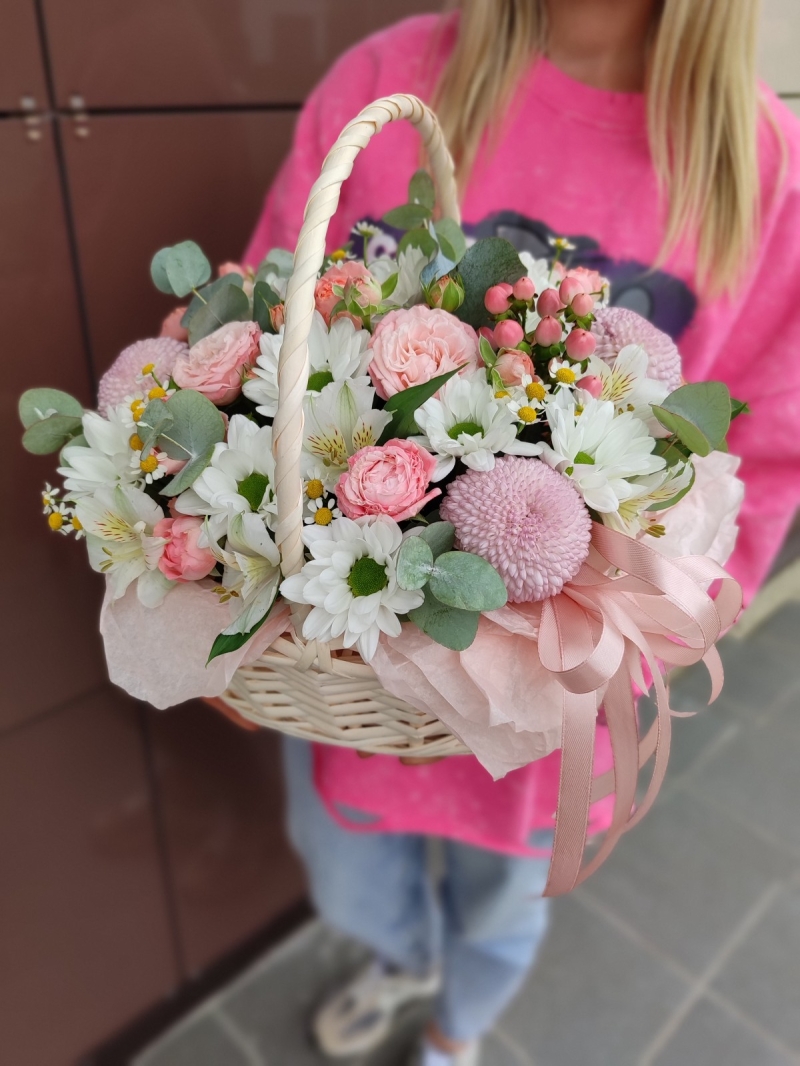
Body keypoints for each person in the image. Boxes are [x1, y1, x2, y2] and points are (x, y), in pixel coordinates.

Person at [238, 2, 800, 1063]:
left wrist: (666, 626)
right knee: (349, 870)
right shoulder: (389, 78)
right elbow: (266, 325)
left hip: (554, 697)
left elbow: (766, 450)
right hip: (347, 661)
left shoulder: (763, 169)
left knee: (505, 902)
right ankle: (401, 960)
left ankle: (457, 1030)